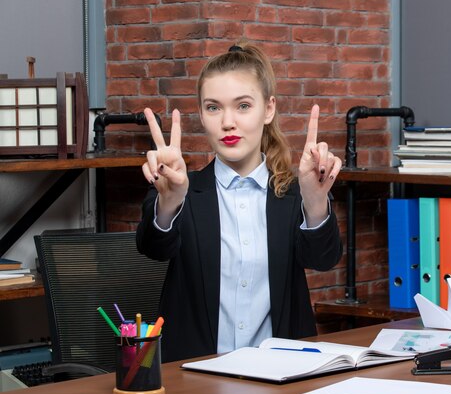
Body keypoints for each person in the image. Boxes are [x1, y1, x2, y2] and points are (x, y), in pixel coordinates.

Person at [136, 40, 343, 362]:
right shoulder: (179, 189)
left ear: (268, 109)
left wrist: (315, 201)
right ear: (202, 116)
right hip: (195, 376)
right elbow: (153, 248)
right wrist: (170, 203)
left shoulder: (293, 191)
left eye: (243, 106)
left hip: (281, 371)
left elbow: (323, 259)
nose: (227, 122)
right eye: (213, 107)